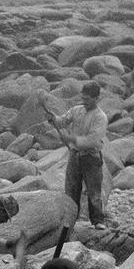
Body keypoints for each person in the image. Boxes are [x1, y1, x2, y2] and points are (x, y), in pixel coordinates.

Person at [39, 81, 109, 229]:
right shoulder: (77, 110)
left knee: (93, 190)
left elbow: (93, 140)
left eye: (88, 99)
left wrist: (71, 139)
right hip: (75, 155)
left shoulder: (100, 117)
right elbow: (62, 121)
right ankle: (70, 220)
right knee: (71, 189)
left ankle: (98, 221)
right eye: (83, 98)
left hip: (91, 157)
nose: (84, 101)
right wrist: (53, 119)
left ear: (96, 98)